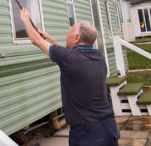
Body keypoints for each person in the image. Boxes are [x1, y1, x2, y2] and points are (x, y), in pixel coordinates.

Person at [20, 8, 120, 146]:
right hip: (108, 127)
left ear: (77, 38)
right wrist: (50, 40)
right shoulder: (98, 56)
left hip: (88, 134)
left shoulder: (70, 59)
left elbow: (36, 40)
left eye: (69, 32)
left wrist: (25, 19)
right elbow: (67, 55)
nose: (67, 34)